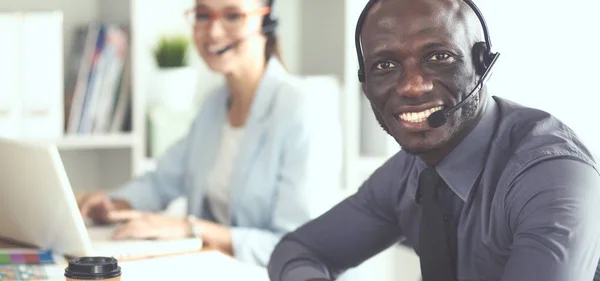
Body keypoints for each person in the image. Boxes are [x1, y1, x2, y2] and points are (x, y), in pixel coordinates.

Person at [267, 0, 600, 280]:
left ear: (482, 65)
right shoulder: (409, 173)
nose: (412, 86)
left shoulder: (552, 176)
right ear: (365, 84)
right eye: (385, 65)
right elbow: (297, 250)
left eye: (439, 57)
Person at [77, 0, 343, 267]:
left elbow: (302, 247)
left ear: (266, 21)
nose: (213, 31)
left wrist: (191, 229)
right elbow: (162, 181)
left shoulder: (304, 110)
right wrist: (114, 204)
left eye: (232, 15)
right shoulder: (214, 105)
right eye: (203, 15)